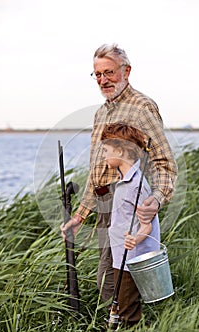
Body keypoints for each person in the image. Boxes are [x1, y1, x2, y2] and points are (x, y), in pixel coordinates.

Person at [61, 43, 177, 304]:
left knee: (112, 275)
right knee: (113, 274)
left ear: (127, 71)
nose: (103, 80)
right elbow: (97, 172)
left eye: (109, 72)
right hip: (104, 205)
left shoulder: (142, 107)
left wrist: (156, 199)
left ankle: (122, 331)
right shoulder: (101, 112)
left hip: (127, 202)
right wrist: (80, 215)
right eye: (98, 74)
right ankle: (125, 327)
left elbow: (165, 162)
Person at [100, 122, 160, 326]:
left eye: (106, 150)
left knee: (128, 312)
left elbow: (147, 226)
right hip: (120, 257)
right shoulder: (123, 179)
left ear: (120, 150)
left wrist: (135, 239)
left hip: (131, 260)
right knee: (122, 305)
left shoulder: (136, 184)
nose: (104, 155)